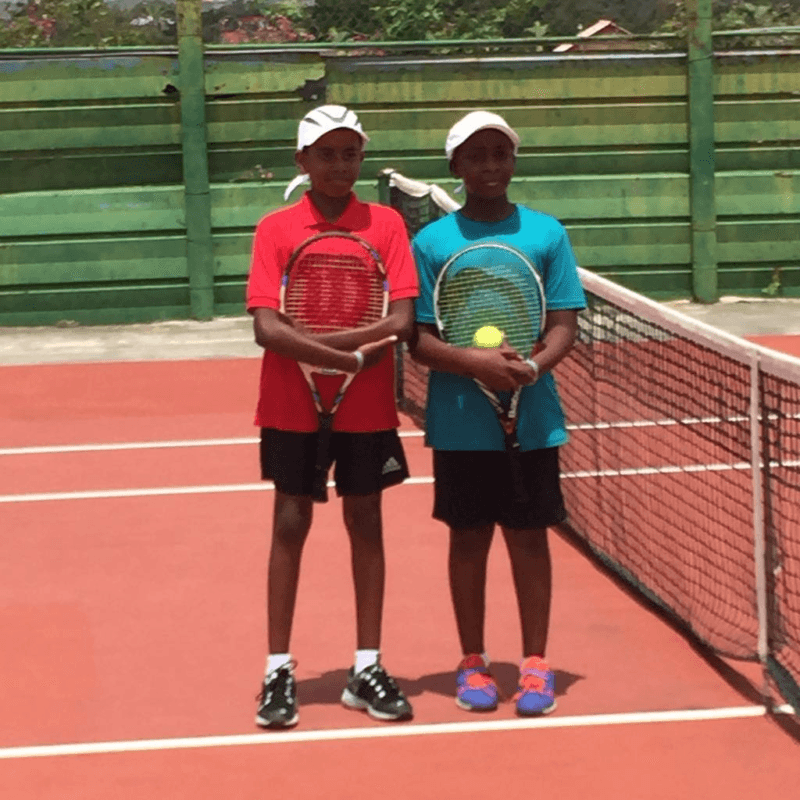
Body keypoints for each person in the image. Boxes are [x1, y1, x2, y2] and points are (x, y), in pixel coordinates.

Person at [409, 111, 586, 716]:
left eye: (500, 153)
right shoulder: (431, 244)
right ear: (455, 166)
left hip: (533, 417)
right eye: (476, 155)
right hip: (460, 419)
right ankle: (473, 661)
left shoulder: (546, 234)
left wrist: (530, 369)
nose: (490, 165)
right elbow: (419, 340)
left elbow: (563, 326)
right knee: (468, 539)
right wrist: (474, 363)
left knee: (530, 537)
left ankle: (536, 665)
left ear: (513, 160)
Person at [246, 105, 418, 729]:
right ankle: (277, 670)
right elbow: (267, 328)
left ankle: (366, 667)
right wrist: (348, 357)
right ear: (303, 161)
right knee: (289, 523)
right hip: (290, 401)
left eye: (350, 154)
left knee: (366, 522)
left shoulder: (387, 224)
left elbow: (402, 320)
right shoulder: (275, 229)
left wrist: (324, 350)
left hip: (365, 407)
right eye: (326, 154)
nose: (340, 165)